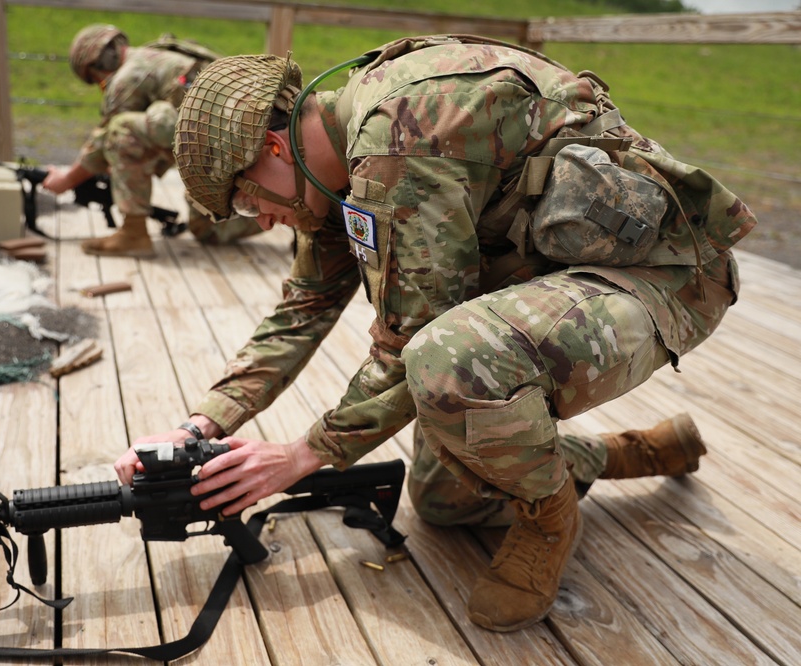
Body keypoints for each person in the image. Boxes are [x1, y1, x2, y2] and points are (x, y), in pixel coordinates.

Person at [114, 35, 757, 632]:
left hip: (666, 280)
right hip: (566, 282)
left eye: (252, 202)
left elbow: (412, 337)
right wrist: (202, 425)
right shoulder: (337, 164)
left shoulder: (394, 143)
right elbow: (304, 306)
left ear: (274, 150)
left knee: (448, 362)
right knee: (445, 498)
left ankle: (550, 518)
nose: (260, 224)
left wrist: (305, 453)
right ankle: (630, 454)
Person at [41, 24, 262, 258]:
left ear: (100, 63)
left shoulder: (128, 76)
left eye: (95, 79)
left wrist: (65, 179)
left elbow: (107, 140)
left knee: (122, 131)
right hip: (243, 146)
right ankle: (281, 213)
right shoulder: (156, 58)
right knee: (206, 228)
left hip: (227, 148)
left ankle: (133, 234)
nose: (101, 86)